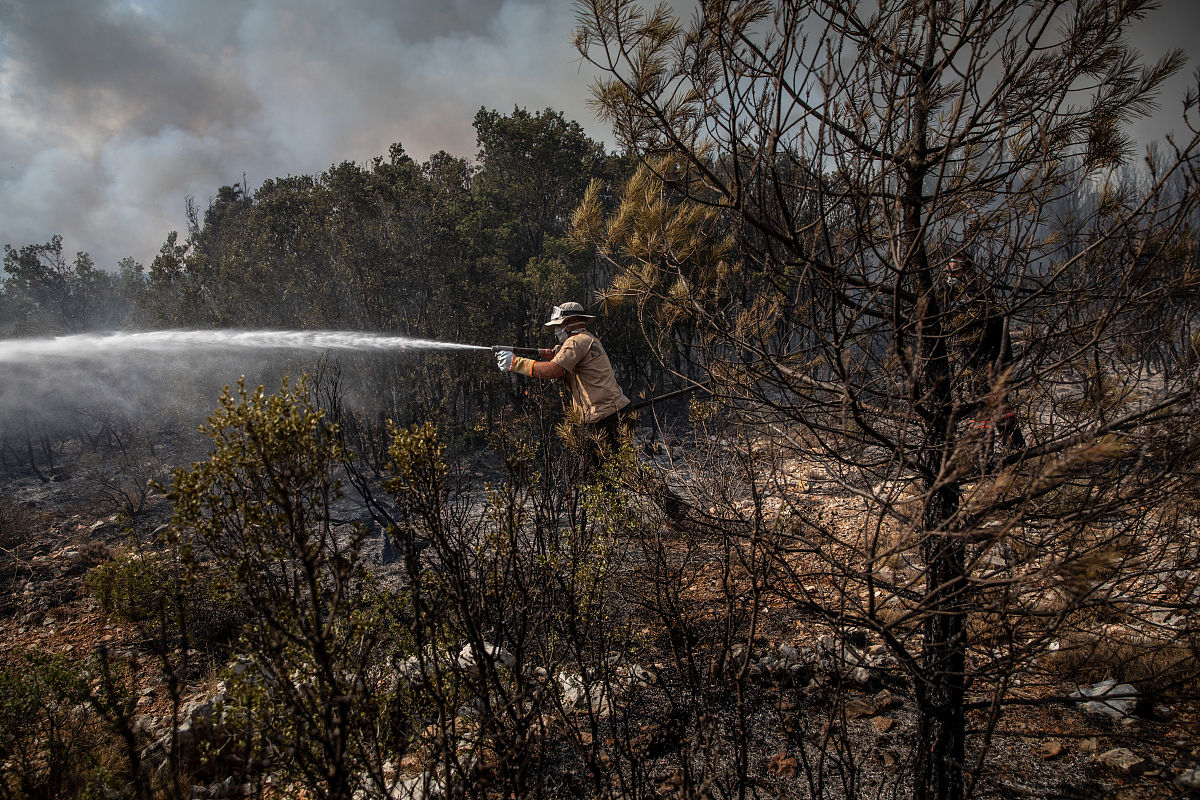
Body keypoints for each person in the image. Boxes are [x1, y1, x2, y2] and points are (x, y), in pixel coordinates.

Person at [495, 302, 633, 459]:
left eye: (559, 325)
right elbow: (575, 373)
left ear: (573, 321)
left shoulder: (574, 342)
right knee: (620, 472)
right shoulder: (589, 339)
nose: (556, 330)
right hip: (618, 412)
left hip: (602, 419)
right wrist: (558, 358)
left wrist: (516, 363)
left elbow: (552, 371)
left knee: (594, 477)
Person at [944, 256, 1025, 452]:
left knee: (995, 406)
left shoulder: (980, 296)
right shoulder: (948, 297)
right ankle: (989, 452)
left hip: (990, 361)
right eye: (947, 273)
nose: (950, 277)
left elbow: (992, 330)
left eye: (955, 272)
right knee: (981, 408)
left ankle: (1009, 450)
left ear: (968, 272)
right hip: (969, 362)